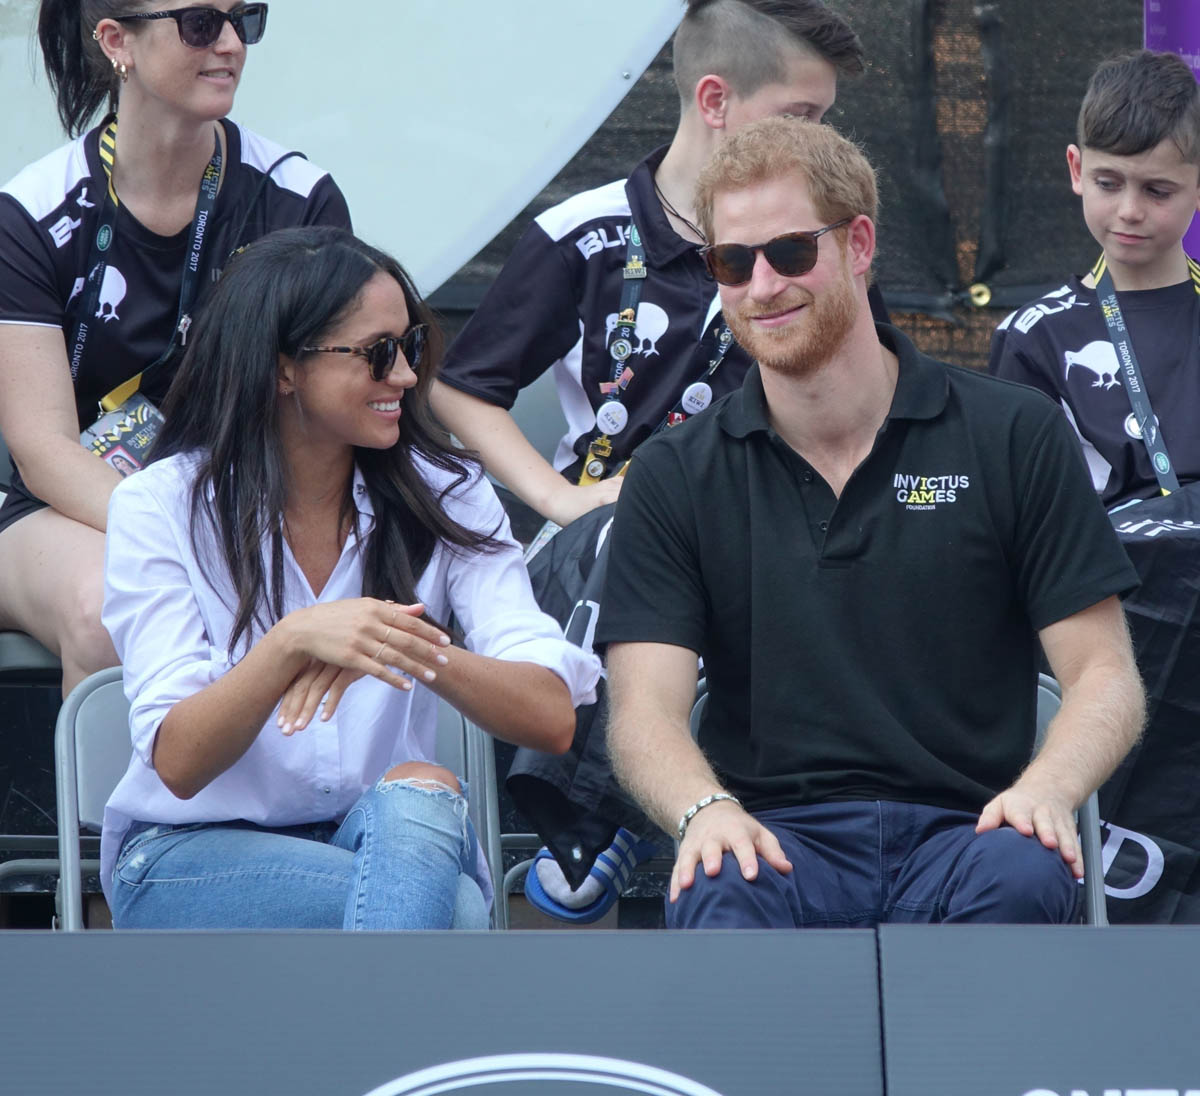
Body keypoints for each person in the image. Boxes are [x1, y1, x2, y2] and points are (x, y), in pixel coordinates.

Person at [599, 117, 1146, 929]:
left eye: (790, 252)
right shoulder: (674, 473)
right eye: (731, 262)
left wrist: (1047, 790)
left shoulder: (1012, 433)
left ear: (859, 244)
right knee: (717, 881)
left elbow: (1106, 675)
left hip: (972, 835)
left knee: (1024, 871)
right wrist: (704, 809)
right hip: (773, 847)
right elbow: (643, 713)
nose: (761, 286)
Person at [434, 0, 877, 922]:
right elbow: (459, 389)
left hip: (766, 531)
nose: (820, 141)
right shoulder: (587, 232)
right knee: (635, 524)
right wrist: (562, 498)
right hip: (607, 546)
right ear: (715, 100)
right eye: (801, 116)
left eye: (828, 121)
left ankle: (666, 812)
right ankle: (601, 819)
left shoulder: (817, 234)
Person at [99, 227, 601, 929]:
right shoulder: (161, 506)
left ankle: (371, 1003)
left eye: (411, 345)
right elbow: (179, 764)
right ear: (284, 369)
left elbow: (551, 719)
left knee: (422, 791)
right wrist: (292, 643)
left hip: (384, 839)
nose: (406, 376)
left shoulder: (448, 493)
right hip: (191, 854)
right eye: (377, 353)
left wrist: (398, 643)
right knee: (453, 910)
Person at [0, 0, 351, 694]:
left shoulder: (297, 202)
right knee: (111, 611)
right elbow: (43, 452)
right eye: (200, 24)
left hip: (253, 502)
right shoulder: (30, 215)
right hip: (67, 511)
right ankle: (131, 777)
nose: (231, 44)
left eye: (244, 19)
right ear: (117, 42)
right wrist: (179, 536)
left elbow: (327, 404)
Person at [988, 50, 1200, 506]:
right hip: (1104, 555)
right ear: (1077, 169)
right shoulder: (1033, 337)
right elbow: (1020, 510)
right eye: (1108, 183)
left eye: (1157, 191)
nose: (1129, 211)